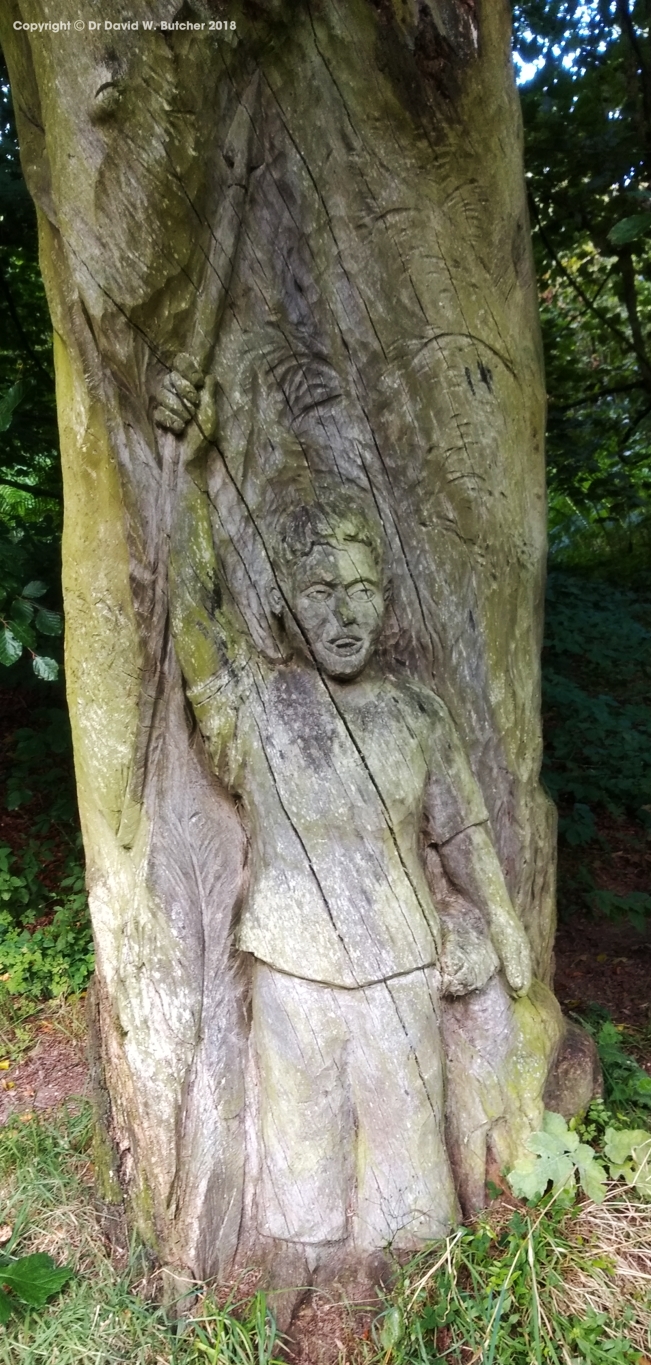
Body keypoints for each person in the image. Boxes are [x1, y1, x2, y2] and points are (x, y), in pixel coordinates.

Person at [169, 468, 545, 1259]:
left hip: (400, 962)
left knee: (408, 1152)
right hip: (290, 960)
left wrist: (503, 922)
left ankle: (407, 1274)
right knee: (300, 1150)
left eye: (364, 588)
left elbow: (462, 829)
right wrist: (190, 485)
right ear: (281, 602)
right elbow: (198, 631)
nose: (346, 613)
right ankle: (297, 1266)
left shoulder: (415, 712)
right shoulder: (257, 706)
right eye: (319, 590)